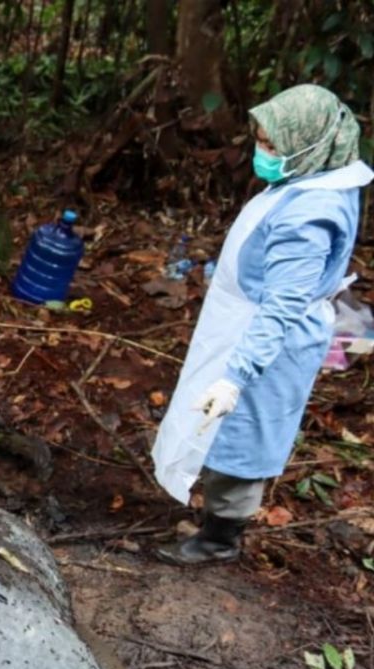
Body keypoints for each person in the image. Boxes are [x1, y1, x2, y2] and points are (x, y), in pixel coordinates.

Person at [152, 84, 373, 566]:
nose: (263, 152)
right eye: (262, 141)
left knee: (240, 432)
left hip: (267, 340)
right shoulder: (317, 177)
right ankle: (213, 515)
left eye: (273, 145)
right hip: (243, 321)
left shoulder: (313, 211)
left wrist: (236, 375)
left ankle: (220, 538)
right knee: (220, 425)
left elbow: (282, 305)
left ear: (310, 143)